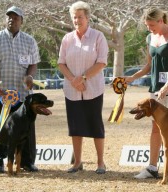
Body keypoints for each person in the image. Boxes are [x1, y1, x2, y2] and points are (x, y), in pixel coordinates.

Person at [125, 7, 168, 181]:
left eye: (151, 25)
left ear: (161, 21)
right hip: (156, 87)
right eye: (147, 25)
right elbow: (149, 65)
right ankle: (152, 168)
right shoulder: (149, 38)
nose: (149, 28)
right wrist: (132, 77)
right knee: (156, 128)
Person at [0, 6, 41, 174]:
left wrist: (30, 76)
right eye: (9, 17)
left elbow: (33, 64)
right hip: (0, 94)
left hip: (23, 95)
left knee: (26, 129)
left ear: (21, 21)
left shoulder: (30, 41)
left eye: (16, 18)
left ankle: (27, 162)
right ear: (5, 20)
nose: (12, 20)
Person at [57, 1, 109, 174]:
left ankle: (100, 163)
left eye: (80, 17)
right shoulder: (67, 39)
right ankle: (77, 162)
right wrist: (73, 80)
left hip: (93, 89)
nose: (77, 20)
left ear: (87, 18)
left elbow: (101, 62)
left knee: (95, 126)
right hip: (71, 91)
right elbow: (61, 63)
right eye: (74, 17)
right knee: (75, 127)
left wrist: (83, 77)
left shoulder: (98, 36)